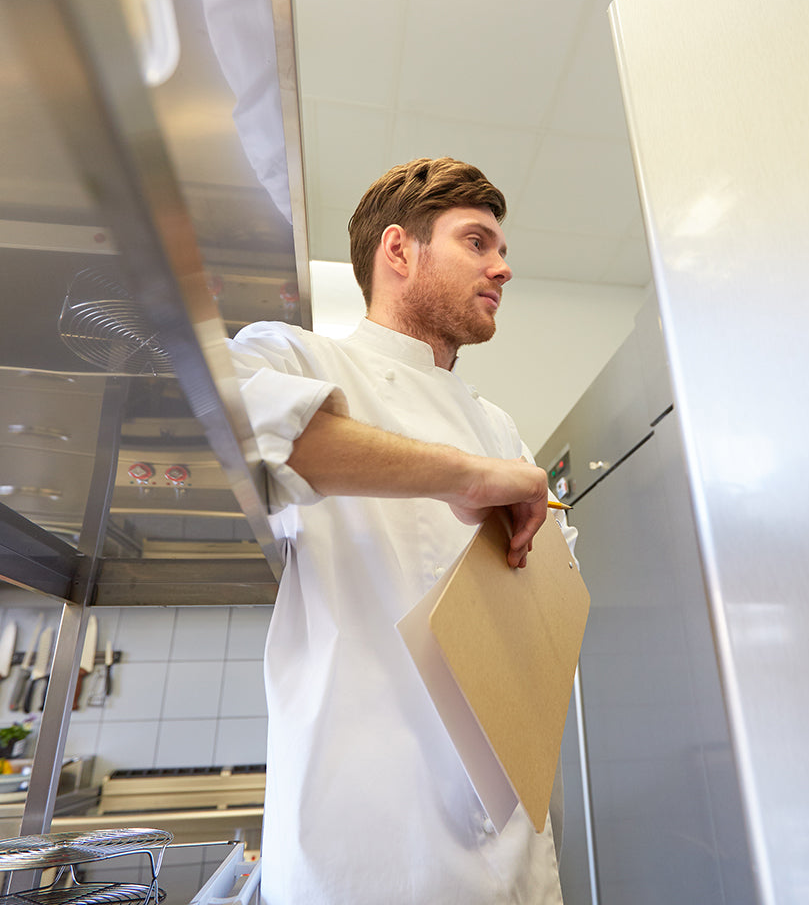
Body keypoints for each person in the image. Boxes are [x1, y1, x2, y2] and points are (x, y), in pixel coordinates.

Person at [225, 157, 571, 905]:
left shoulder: (498, 424)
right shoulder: (299, 356)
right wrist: (467, 477)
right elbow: (243, 424)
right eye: (478, 242)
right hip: (373, 849)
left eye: (502, 250)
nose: (502, 268)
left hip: (516, 854)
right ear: (398, 251)